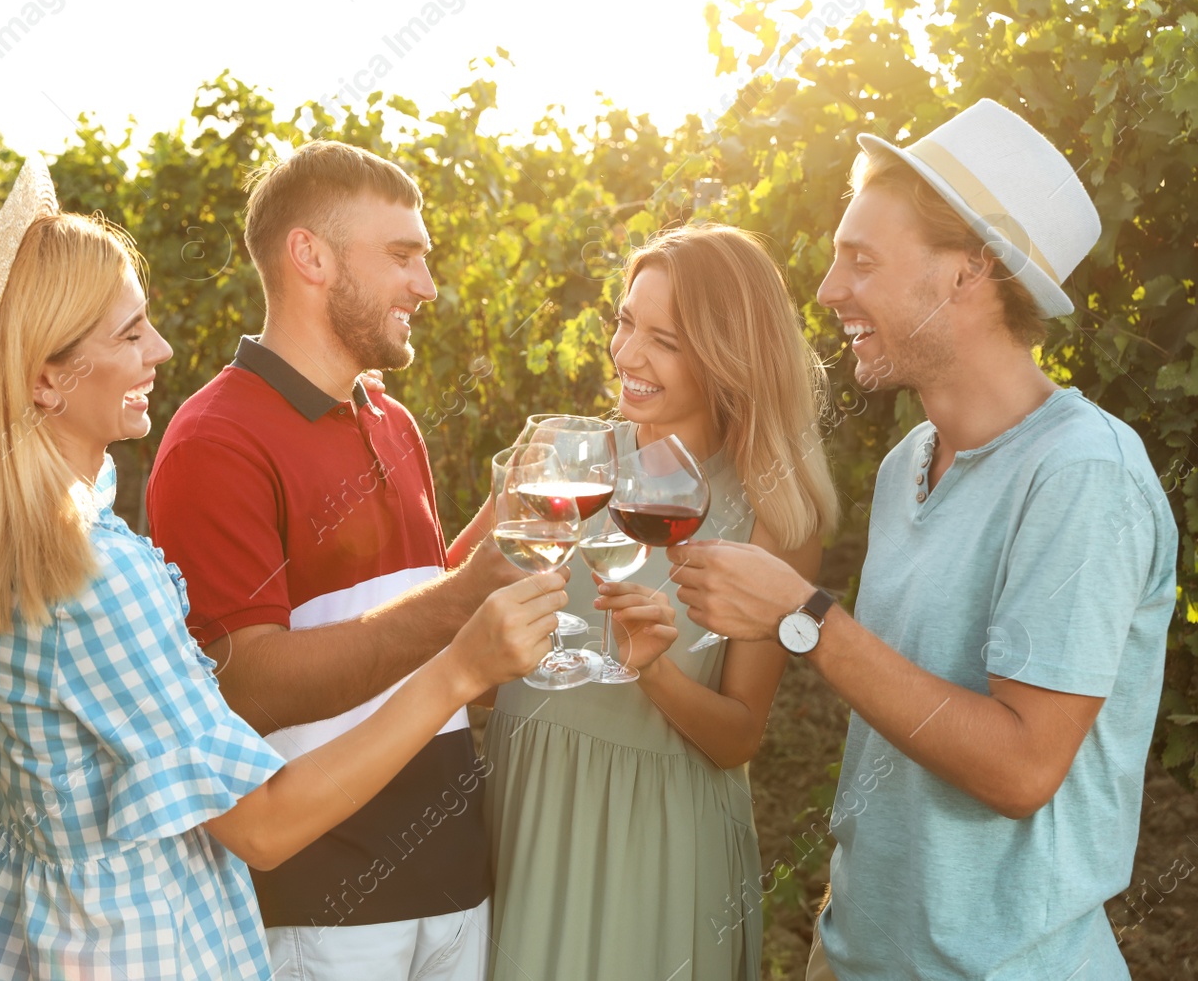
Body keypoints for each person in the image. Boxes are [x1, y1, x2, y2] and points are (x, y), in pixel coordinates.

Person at [0, 157, 566, 980]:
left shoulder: (15, 546)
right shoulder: (103, 571)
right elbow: (262, 821)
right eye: (130, 332)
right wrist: (461, 666)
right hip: (155, 941)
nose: (161, 349)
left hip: (59, 935)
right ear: (44, 378)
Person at [666, 99, 1179, 980]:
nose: (829, 291)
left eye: (860, 261)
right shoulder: (913, 457)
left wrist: (806, 618)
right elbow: (902, 724)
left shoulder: (1084, 476)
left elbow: (1021, 768)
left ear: (968, 274)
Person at [145, 140, 525, 981]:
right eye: (402, 255)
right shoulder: (217, 441)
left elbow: (410, 617)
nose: (427, 285)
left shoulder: (393, 420)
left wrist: (505, 530)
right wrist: (467, 591)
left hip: (457, 874)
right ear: (310, 255)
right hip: (328, 899)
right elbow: (251, 681)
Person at [482, 223, 841, 980]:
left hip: (657, 845)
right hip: (524, 816)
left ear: (725, 356)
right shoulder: (560, 462)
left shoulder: (773, 517)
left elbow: (739, 735)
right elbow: (439, 612)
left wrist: (654, 671)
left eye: (664, 339)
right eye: (624, 321)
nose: (626, 355)